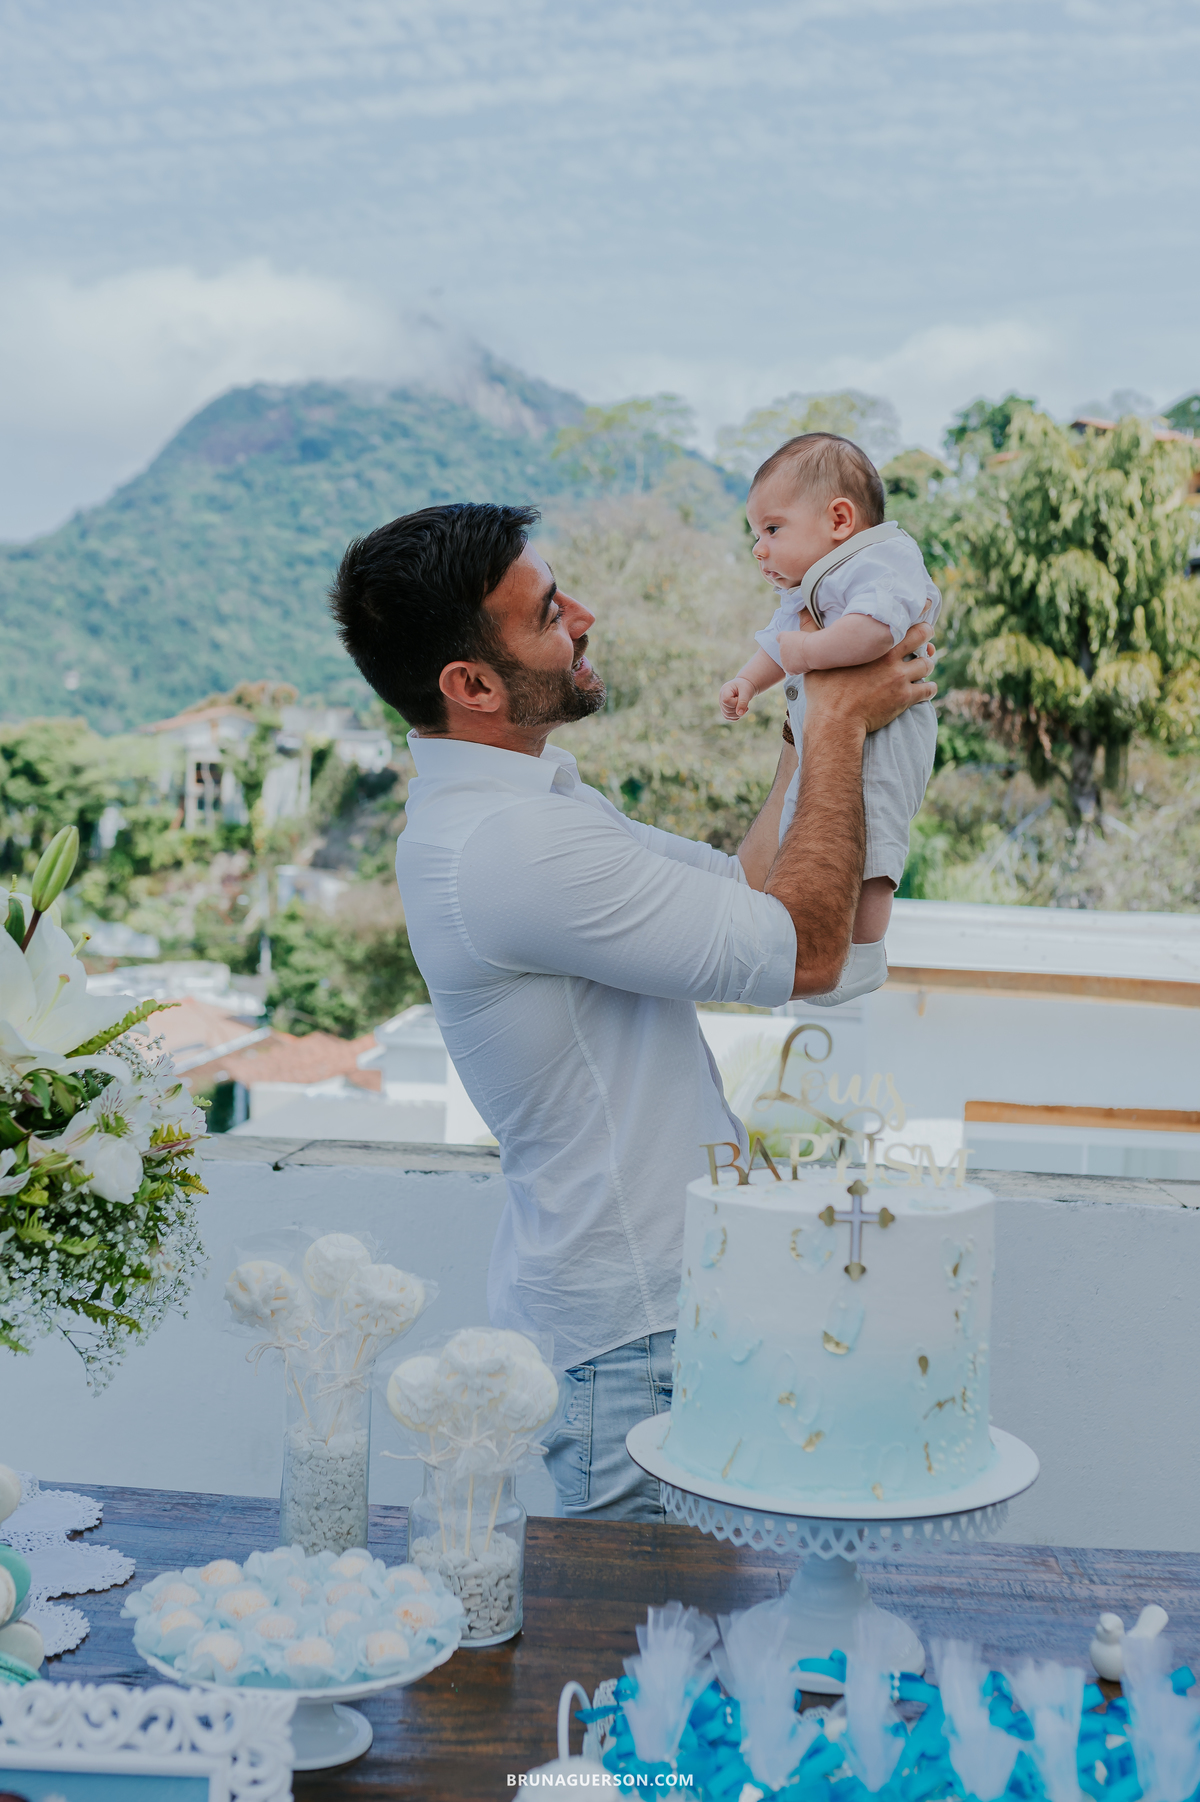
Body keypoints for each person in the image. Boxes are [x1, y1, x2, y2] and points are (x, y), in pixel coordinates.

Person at [329, 501, 936, 1520]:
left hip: (656, 1321)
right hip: (634, 1343)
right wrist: (840, 721)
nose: (586, 613)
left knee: (677, 1659)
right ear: (471, 685)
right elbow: (811, 950)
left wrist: (802, 716)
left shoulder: (535, 809)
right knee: (633, 1663)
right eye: (547, 611)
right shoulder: (510, 850)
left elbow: (749, 890)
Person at [719, 433, 941, 1006]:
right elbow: (777, 642)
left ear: (840, 518)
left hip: (889, 730)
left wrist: (809, 657)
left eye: (771, 529)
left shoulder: (881, 561)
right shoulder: (810, 589)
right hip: (829, 728)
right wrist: (749, 679)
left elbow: (877, 631)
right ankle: (816, 935)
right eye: (756, 536)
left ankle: (863, 949)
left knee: (876, 828)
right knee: (807, 824)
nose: (759, 550)